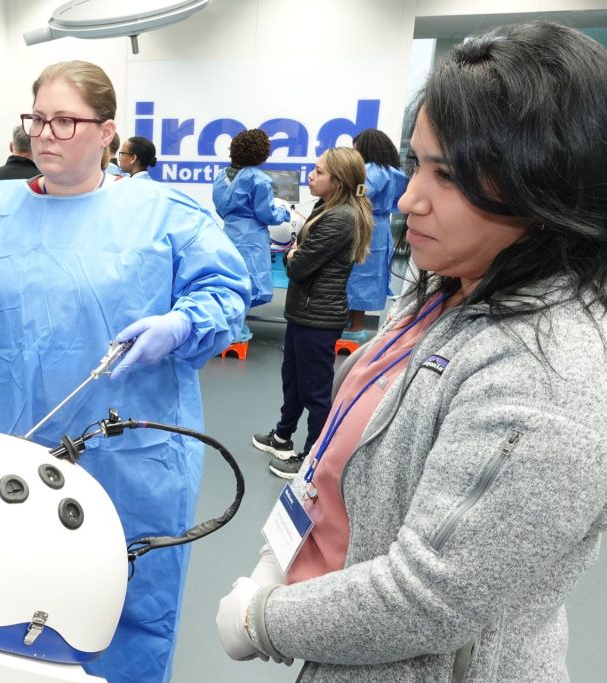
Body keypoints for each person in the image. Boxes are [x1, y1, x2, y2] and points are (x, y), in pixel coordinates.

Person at [217, 21, 607, 681]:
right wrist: (282, 550)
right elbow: (346, 437)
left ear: (545, 185)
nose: (410, 199)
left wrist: (264, 620)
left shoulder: (548, 376)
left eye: (447, 175)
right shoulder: (445, 285)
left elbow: (429, 598)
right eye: (417, 164)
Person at [0, 60, 249, 683]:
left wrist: (182, 324)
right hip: (8, 453)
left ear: (107, 132)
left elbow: (224, 291)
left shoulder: (165, 214)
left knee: (126, 608)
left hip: (131, 463)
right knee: (7, 605)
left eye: (64, 121)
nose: (44, 134)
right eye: (36, 119)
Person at [252, 147, 372, 476]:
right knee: (293, 379)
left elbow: (298, 267)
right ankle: (282, 436)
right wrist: (295, 252)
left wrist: (293, 254)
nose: (311, 176)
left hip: (318, 318)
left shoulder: (341, 218)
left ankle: (311, 460)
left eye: (319, 172)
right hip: (304, 312)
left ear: (338, 181)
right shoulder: (326, 208)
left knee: (315, 392)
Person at [213, 128, 291, 341]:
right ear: (262, 154)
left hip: (229, 234)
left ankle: (231, 325)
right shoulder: (259, 180)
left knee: (232, 281)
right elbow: (267, 213)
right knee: (251, 282)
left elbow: (221, 207)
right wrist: (285, 212)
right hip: (252, 239)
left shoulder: (222, 176)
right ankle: (236, 329)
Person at [343, 128, 408, 342]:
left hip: (364, 224)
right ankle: (355, 326)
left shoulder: (371, 171)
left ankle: (354, 328)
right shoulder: (395, 172)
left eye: (355, 150)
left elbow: (360, 195)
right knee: (369, 276)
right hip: (381, 227)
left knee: (356, 276)